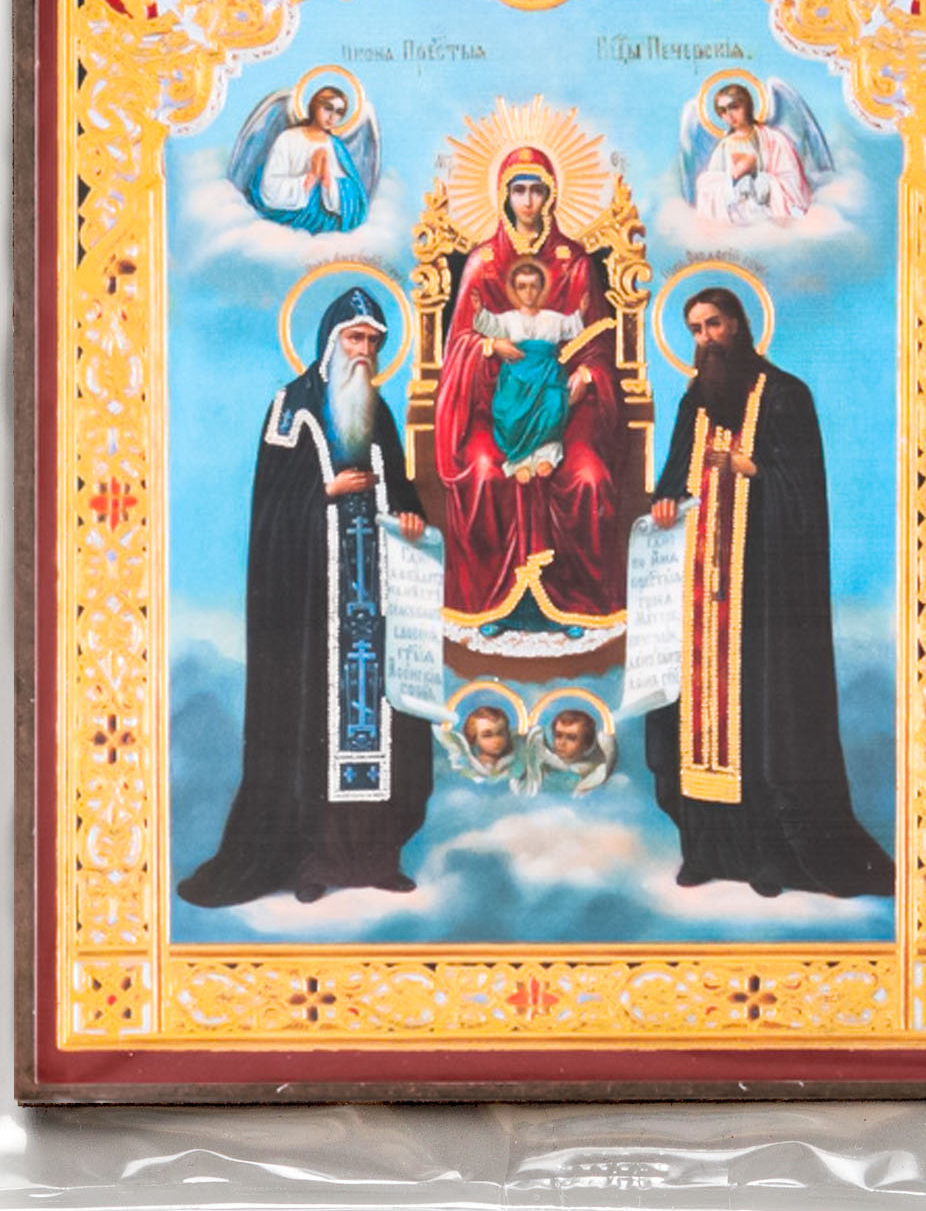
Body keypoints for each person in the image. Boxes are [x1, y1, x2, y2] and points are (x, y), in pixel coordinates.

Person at [177, 287, 432, 907]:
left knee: (381, 723)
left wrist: (409, 513)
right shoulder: (290, 408)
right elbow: (270, 509)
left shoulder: (376, 411)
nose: (364, 351)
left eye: (373, 342)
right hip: (316, 605)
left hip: (375, 598)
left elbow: (400, 488)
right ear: (330, 341)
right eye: (355, 338)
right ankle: (313, 859)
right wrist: (325, 491)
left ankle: (375, 857)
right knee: (316, 725)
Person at [644, 286, 893, 897]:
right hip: (701, 592)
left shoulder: (784, 395)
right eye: (695, 329)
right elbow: (674, 474)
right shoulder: (696, 400)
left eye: (714, 324)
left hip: (760, 594)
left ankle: (769, 856)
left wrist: (752, 469)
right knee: (694, 718)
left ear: (738, 324)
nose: (705, 338)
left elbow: (804, 491)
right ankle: (707, 850)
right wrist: (666, 502)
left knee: (758, 717)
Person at [434, 145, 627, 647]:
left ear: (551, 194)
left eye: (536, 189)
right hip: (493, 404)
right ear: (503, 195)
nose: (527, 200)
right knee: (482, 472)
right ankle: (491, 603)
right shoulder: (482, 262)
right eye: (518, 189)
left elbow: (596, 338)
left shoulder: (574, 262)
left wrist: (586, 378)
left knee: (587, 477)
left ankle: (572, 603)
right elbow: (459, 341)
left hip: (564, 407)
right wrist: (488, 348)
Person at [473, 259, 587, 481]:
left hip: (547, 374)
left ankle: (546, 455)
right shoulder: (508, 319)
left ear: (542, 288)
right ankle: (520, 462)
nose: (528, 292)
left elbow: (571, 326)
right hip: (517, 376)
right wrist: (479, 311)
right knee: (512, 414)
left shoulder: (552, 318)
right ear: (515, 290)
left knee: (553, 407)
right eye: (522, 286)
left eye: (533, 286)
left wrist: (582, 311)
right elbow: (489, 325)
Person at [246, 85, 371, 233]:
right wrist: (310, 178)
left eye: (339, 112)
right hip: (287, 224)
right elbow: (269, 187)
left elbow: (354, 195)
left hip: (326, 227)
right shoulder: (288, 138)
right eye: (328, 108)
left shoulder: (335, 147)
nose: (332, 117)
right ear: (314, 106)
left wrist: (327, 178)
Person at [692, 82, 813, 225]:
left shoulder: (774, 139)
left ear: (747, 106)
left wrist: (764, 183)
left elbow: (792, 181)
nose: (729, 115)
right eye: (722, 111)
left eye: (734, 107)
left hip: (769, 214)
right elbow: (710, 184)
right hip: (736, 216)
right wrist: (732, 184)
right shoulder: (723, 147)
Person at [513, 707, 617, 799]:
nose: (562, 743)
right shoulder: (540, 765)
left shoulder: (593, 773)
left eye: (571, 738)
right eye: (558, 735)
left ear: (586, 743)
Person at [437, 703, 521, 783]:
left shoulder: (515, 758)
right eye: (487, 735)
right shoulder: (470, 764)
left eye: (501, 733)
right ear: (474, 738)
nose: (496, 740)